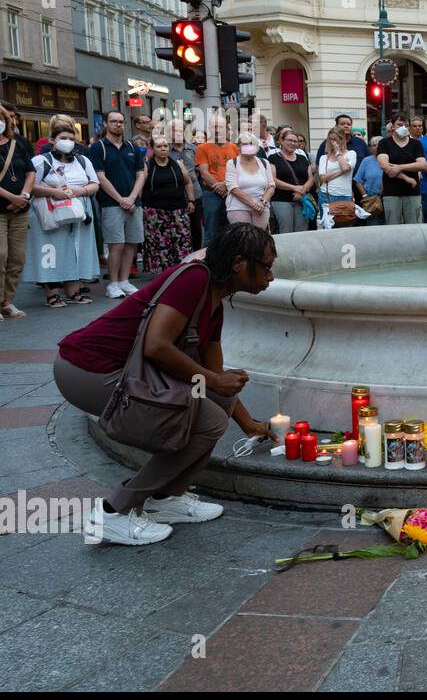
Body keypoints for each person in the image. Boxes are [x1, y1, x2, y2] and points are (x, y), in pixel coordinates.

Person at [54, 224, 276, 546]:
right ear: (240, 263)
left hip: (126, 372)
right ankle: (114, 511)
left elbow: (214, 377)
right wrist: (213, 380)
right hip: (87, 370)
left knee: (218, 403)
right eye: (267, 267)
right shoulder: (193, 279)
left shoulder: (215, 299)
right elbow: (156, 346)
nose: (271, 276)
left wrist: (249, 424)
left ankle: (166, 498)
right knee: (209, 420)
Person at [24, 122, 99, 307]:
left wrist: (79, 191)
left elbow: (95, 183)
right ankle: (52, 293)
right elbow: (30, 185)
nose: (68, 142)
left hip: (78, 210)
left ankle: (73, 291)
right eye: (63, 138)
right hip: (51, 210)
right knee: (52, 251)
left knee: (76, 250)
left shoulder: (83, 161)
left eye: (72, 139)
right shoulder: (41, 161)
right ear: (52, 140)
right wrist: (55, 192)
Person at [89, 111, 146, 299]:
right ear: (106, 124)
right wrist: (120, 199)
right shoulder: (98, 148)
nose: (118, 125)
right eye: (113, 121)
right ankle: (112, 284)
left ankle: (124, 280)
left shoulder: (132, 147)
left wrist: (132, 197)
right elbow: (99, 177)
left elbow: (141, 174)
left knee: (131, 244)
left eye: (121, 122)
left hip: (134, 203)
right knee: (116, 245)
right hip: (111, 204)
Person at [140, 135, 195, 273]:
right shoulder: (147, 166)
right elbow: (140, 187)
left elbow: (188, 182)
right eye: (159, 146)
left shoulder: (178, 164)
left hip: (178, 210)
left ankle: (182, 270)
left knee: (182, 241)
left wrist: (191, 200)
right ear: (152, 149)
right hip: (155, 212)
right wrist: (139, 206)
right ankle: (161, 272)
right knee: (158, 244)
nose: (163, 149)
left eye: (165, 146)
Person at [0, 102, 35, 320]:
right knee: (0, 255)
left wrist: (23, 196)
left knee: (17, 258)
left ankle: (7, 302)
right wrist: (11, 197)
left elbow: (30, 171)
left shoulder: (18, 143)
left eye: (2, 118)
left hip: (20, 210)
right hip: (1, 209)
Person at [374, 113, 424, 225]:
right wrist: (406, 178)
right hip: (391, 192)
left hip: (412, 192)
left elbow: (421, 164)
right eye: (400, 125)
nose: (403, 128)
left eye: (406, 125)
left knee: (414, 226)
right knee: (393, 226)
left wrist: (399, 167)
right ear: (392, 126)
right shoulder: (384, 143)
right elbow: (384, 165)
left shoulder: (416, 144)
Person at [194, 119, 238, 245]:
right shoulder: (202, 147)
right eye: (214, 127)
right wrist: (219, 187)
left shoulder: (234, 148)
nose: (217, 130)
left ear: (227, 129)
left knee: (231, 229)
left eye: (220, 127)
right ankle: (208, 261)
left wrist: (225, 185)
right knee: (211, 230)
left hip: (232, 192)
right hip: (211, 193)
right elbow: (204, 172)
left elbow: (238, 171)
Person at [224, 133, 275, 230]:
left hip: (262, 207)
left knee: (259, 239)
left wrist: (262, 202)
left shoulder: (264, 162)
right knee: (242, 239)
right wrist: (253, 204)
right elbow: (233, 188)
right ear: (239, 146)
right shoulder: (232, 163)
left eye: (252, 144)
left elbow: (271, 186)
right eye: (245, 144)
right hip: (238, 207)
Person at [268, 128, 313, 234]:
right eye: (289, 140)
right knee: (286, 231)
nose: (292, 143)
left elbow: (310, 178)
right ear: (281, 141)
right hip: (281, 200)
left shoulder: (303, 158)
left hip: (301, 199)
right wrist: (294, 188)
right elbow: (272, 179)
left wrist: (302, 190)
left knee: (302, 232)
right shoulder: (273, 158)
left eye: (295, 141)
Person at [317, 128, 357, 228]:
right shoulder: (324, 158)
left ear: (342, 139)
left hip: (344, 195)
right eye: (330, 139)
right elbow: (323, 178)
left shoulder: (351, 154)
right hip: (326, 195)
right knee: (327, 228)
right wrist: (342, 171)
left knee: (345, 226)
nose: (333, 142)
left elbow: (344, 166)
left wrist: (338, 152)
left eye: (336, 139)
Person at [355, 136, 386, 224]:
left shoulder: (390, 159)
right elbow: (358, 180)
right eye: (374, 145)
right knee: (373, 227)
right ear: (370, 148)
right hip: (371, 200)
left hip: (387, 199)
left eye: (379, 144)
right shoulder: (366, 161)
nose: (376, 147)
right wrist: (365, 196)